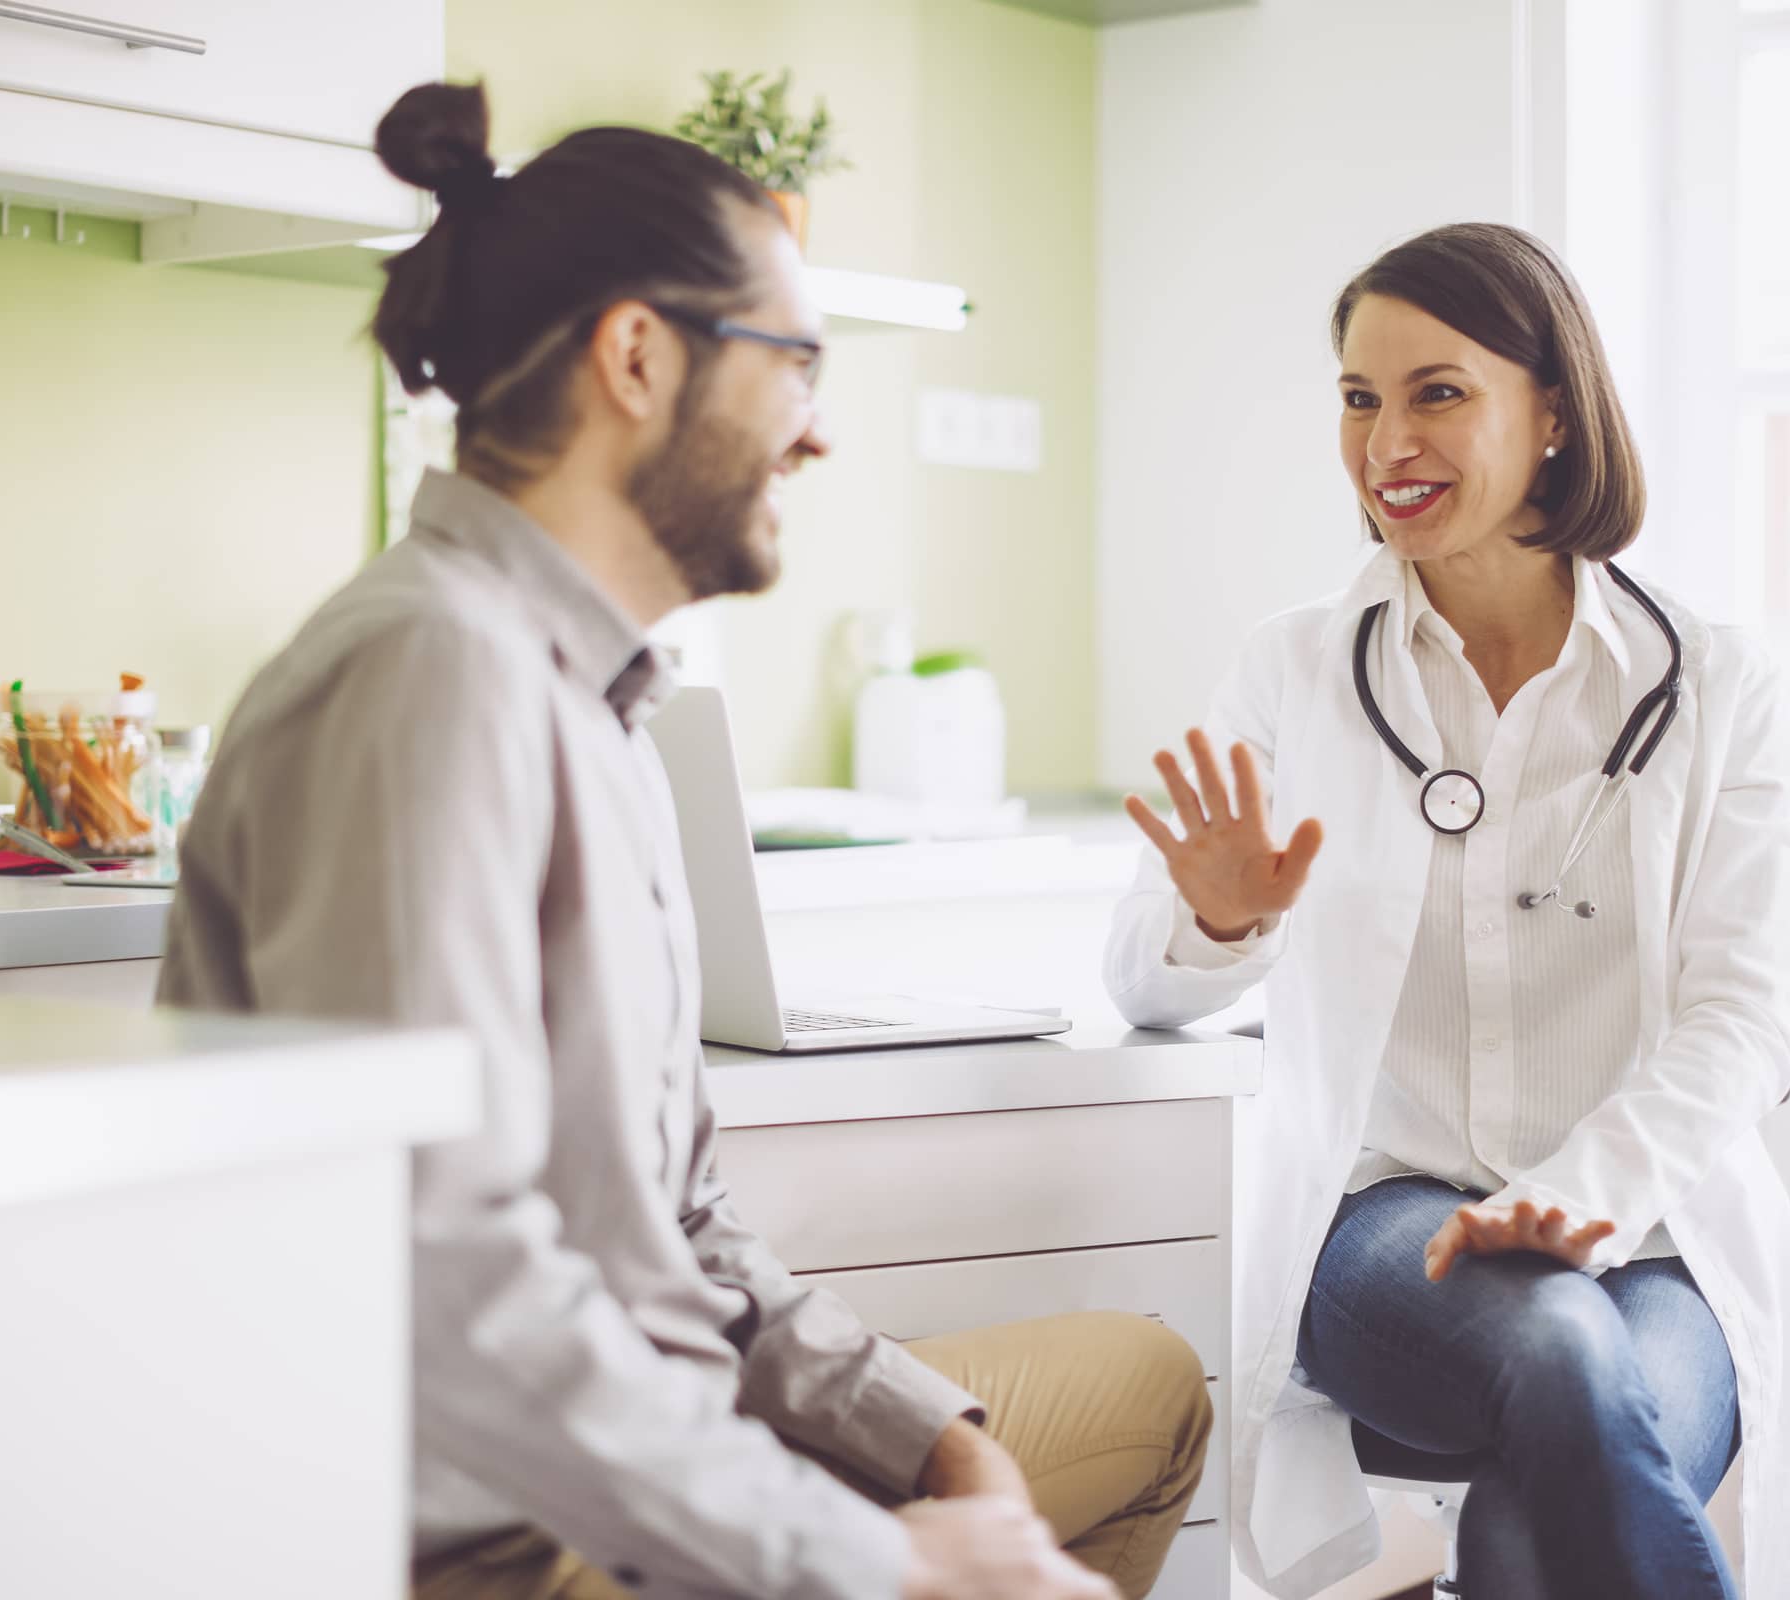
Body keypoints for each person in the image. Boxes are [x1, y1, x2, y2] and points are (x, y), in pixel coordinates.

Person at [159, 80, 1210, 1600]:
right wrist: (868, 1559)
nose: (821, 434)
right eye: (797, 366)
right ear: (637, 355)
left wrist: (927, 1444)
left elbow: (684, 1232)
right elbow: (449, 1286)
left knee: (1146, 1386)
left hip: (646, 1443)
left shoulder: (600, 694)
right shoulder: (431, 676)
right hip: (492, 1533)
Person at [1103, 223, 1790, 1600]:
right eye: (1358, 398)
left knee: (1533, 1506)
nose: (1386, 438)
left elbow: (1748, 1022)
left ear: (1553, 412)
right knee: (1561, 1353)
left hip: (1658, 1238)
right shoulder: (1297, 671)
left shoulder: (1716, 683)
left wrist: (1583, 1192)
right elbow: (1145, 995)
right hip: (1389, 1228)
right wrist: (1216, 928)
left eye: (1436, 391)